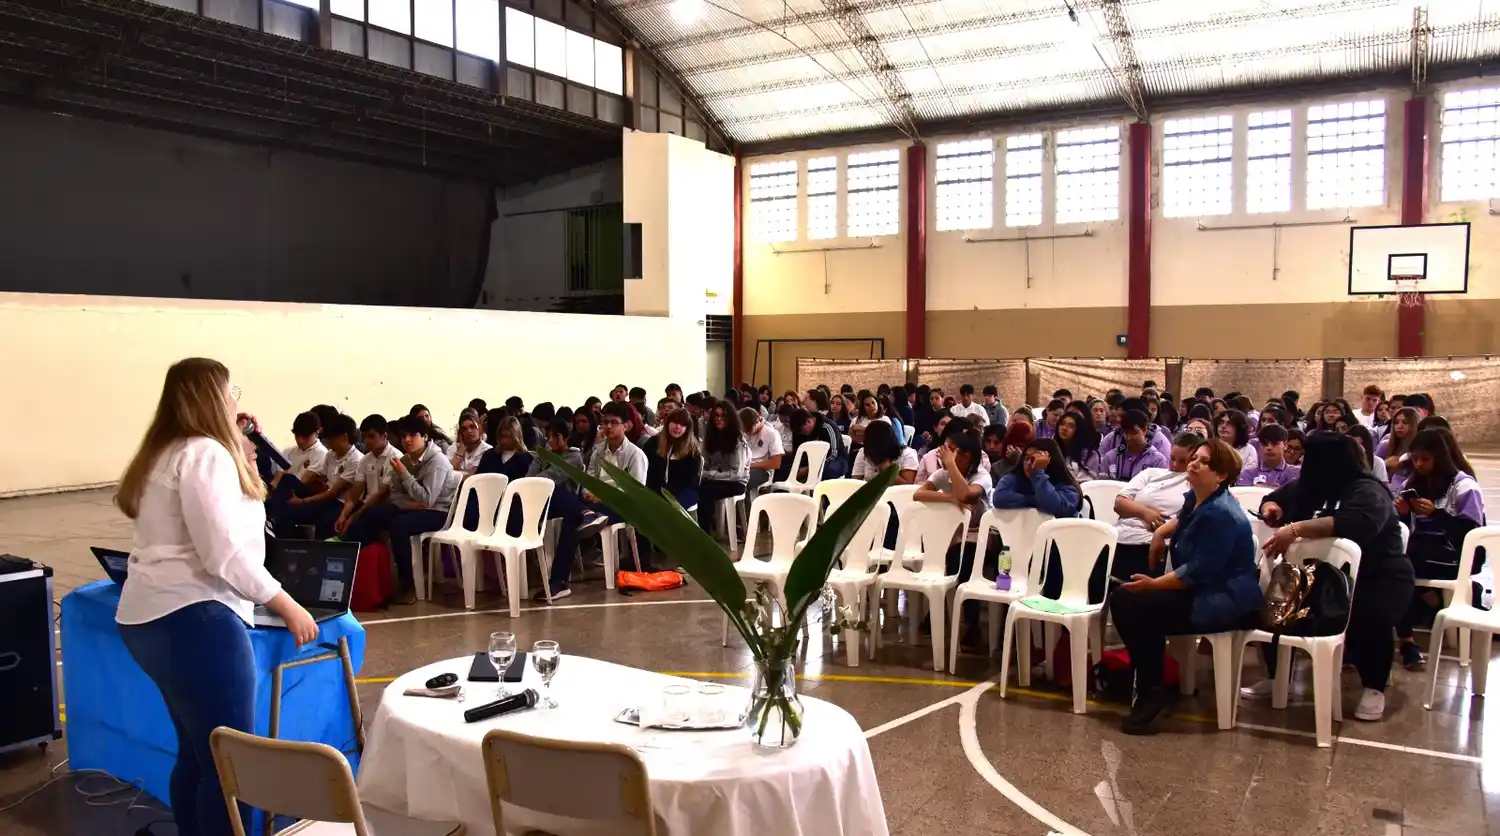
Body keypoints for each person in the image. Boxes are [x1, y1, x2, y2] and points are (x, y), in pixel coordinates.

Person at [114, 358, 317, 836]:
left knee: (199, 755)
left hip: (149, 617)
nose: (236, 402)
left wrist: (243, 454)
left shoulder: (167, 451)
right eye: (231, 393)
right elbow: (223, 552)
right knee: (232, 767)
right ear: (212, 397)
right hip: (195, 617)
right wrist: (286, 603)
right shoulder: (206, 454)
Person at [1249, 432, 1412, 721]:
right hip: (1319, 574)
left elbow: (1354, 523)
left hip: (1377, 575)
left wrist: (1296, 529)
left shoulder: (1367, 490)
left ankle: (1374, 687)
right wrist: (1271, 507)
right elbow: (1275, 498)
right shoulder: (1312, 485)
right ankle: (1278, 679)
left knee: (1369, 614)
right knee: (1269, 602)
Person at [1109, 438, 1263, 735]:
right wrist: (1159, 535)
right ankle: (1150, 685)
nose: (1193, 463)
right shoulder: (1198, 496)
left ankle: (1150, 689)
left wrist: (1154, 584)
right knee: (1126, 601)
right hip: (1203, 589)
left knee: (1138, 607)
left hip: (1224, 599)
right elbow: (1182, 519)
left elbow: (1196, 572)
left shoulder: (1222, 514)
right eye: (1195, 457)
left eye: (1204, 462)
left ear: (1221, 476)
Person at [1394, 428, 1487, 670]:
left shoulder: (1464, 486)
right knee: (1395, 565)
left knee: (1401, 566)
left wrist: (1437, 514)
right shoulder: (1412, 483)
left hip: (1457, 556)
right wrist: (1403, 514)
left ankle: (1414, 628)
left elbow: (1472, 533)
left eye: (1425, 459)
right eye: (1415, 459)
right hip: (1420, 553)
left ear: (1441, 457)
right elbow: (1406, 530)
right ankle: (1408, 638)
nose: (1419, 464)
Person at [345, 415, 459, 602]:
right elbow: (394, 495)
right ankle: (367, 576)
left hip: (438, 513)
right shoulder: (404, 460)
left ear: (424, 436)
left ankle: (408, 584)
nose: (407, 440)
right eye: (403, 436)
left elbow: (427, 500)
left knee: (399, 526)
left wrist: (405, 475)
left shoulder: (436, 462)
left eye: (412, 435)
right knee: (372, 513)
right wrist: (411, 503)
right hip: (414, 508)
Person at [1110, 430, 1204, 582]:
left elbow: (1192, 518)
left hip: (1154, 544)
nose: (1175, 465)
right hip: (1121, 535)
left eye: (1182, 461)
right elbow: (1119, 503)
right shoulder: (1151, 474)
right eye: (1172, 459)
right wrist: (1145, 513)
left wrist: (1161, 532)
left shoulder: (1195, 483)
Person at [583, 401, 653, 568]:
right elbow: (589, 478)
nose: (608, 427)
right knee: (569, 510)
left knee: (586, 515)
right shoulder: (598, 452)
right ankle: (562, 576)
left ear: (626, 426)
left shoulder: (635, 455)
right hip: (595, 501)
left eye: (614, 422)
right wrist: (588, 492)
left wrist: (605, 496)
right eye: (605, 422)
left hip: (622, 504)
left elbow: (635, 490)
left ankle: (591, 519)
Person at [277, 413, 363, 539]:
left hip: (342, 504)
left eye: (331, 439)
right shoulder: (330, 455)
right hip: (326, 499)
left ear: (344, 437)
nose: (328, 443)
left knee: (325, 522)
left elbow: (333, 492)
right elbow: (321, 478)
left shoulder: (356, 460)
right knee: (288, 507)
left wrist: (302, 501)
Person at [335, 415, 399, 537]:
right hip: (366, 504)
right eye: (364, 437)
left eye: (371, 436)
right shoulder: (365, 459)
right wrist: (344, 515)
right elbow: (356, 492)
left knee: (362, 520)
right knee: (334, 515)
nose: (367, 441)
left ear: (384, 436)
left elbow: (382, 494)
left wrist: (356, 514)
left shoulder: (396, 458)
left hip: (385, 506)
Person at [991, 438, 1082, 518]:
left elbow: (1053, 507)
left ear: (1050, 461)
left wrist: (1038, 473)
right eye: (1026, 458)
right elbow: (999, 498)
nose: (1028, 464)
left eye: (1034, 459)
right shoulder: (1016, 476)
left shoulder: (1068, 487)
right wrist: (1036, 500)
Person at [698, 400, 750, 532]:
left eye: (723, 416)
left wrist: (710, 474)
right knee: (695, 487)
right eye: (716, 416)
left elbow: (736, 474)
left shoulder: (738, 440)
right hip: (715, 478)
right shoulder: (710, 436)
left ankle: (705, 533)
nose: (719, 419)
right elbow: (705, 462)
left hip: (736, 482)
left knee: (705, 492)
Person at [647, 409, 703, 510]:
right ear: (668, 423)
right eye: (675, 422)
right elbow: (648, 474)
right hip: (657, 490)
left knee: (669, 508)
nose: (678, 427)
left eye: (683, 425)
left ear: (687, 429)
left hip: (683, 491)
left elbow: (690, 481)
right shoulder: (653, 443)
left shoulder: (692, 450)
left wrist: (669, 497)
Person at [1101, 410, 1168, 481]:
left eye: (1134, 433)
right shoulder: (1111, 457)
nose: (1129, 437)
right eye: (1126, 433)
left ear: (1144, 430)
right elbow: (1102, 483)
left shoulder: (1157, 461)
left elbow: (1159, 488)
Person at [852, 420, 918, 483]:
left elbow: (908, 484)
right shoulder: (863, 452)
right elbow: (855, 481)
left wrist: (885, 469)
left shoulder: (908, 454)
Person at [740, 406, 784, 495]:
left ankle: (749, 506)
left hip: (763, 471)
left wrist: (751, 465)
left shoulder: (772, 433)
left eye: (749, 431)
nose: (747, 433)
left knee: (742, 482)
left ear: (758, 420)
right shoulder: (742, 432)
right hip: (744, 468)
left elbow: (776, 463)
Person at [1054, 411, 1104, 480]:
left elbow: (1088, 481)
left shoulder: (1090, 454)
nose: (1064, 428)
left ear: (1078, 430)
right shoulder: (1052, 450)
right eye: (1062, 424)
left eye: (1071, 426)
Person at [1376, 406, 1420, 472]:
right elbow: (1371, 469)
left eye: (1405, 422)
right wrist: (1384, 463)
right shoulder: (1385, 445)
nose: (1399, 426)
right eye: (1396, 422)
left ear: (1414, 424)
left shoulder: (1420, 449)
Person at [450, 411, 492, 475]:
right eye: (464, 429)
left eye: (472, 427)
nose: (469, 431)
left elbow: (472, 477)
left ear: (479, 428)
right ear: (461, 433)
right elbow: (447, 473)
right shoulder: (454, 447)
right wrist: (460, 451)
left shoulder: (487, 450)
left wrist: (455, 475)